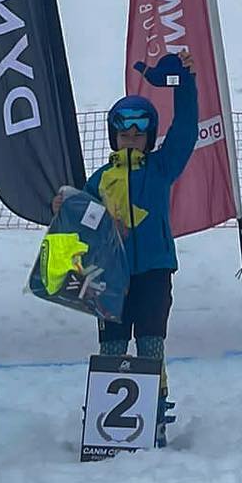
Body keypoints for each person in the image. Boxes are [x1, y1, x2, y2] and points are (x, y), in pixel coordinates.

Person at [52, 52, 198, 447]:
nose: (131, 135)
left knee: (151, 343)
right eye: (124, 129)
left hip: (153, 271)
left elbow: (186, 129)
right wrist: (66, 211)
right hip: (109, 276)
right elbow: (77, 228)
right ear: (113, 134)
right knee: (113, 344)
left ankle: (156, 412)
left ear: (150, 136)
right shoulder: (98, 180)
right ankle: (106, 416)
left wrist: (183, 84)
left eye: (139, 129)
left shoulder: (161, 167)